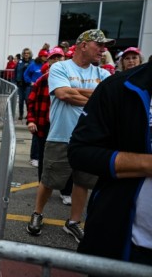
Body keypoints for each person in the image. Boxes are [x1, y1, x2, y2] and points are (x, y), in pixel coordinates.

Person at [26, 29, 114, 243]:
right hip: (61, 135)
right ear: (83, 44)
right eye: (99, 45)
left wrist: (77, 92)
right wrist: (95, 96)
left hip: (91, 139)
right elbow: (63, 94)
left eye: (104, 46)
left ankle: (73, 222)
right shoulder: (60, 67)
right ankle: (37, 213)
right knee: (49, 179)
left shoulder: (103, 74)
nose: (103, 50)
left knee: (83, 181)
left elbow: (108, 100)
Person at [68, 58, 152, 267]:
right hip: (126, 244)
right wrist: (146, 163)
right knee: (67, 180)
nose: (100, 49)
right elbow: (80, 152)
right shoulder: (118, 87)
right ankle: (72, 221)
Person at [25, 47, 72, 205]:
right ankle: (43, 187)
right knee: (45, 159)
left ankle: (66, 192)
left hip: (65, 126)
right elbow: (31, 101)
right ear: (48, 61)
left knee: (68, 159)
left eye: (60, 58)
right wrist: (31, 120)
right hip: (44, 125)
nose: (57, 61)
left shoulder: (70, 79)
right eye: (54, 58)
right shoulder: (42, 80)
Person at [23, 49, 46, 167]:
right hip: (34, 90)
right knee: (37, 135)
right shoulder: (33, 65)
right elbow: (26, 74)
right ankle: (34, 157)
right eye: (43, 56)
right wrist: (30, 82)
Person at [14, 48, 33, 120]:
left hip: (28, 84)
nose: (26, 54)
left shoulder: (32, 62)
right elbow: (16, 71)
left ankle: (29, 114)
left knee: (27, 99)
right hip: (20, 83)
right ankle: (21, 114)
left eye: (27, 53)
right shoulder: (20, 62)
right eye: (25, 53)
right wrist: (15, 81)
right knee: (21, 100)